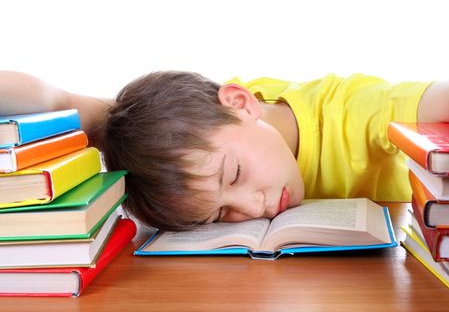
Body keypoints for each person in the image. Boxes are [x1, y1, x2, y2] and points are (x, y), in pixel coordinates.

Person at [1, 71, 448, 231]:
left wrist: (64, 105)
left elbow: (65, 103)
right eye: (219, 216)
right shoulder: (188, 134)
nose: (254, 208)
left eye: (233, 177)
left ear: (241, 103)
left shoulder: (355, 110)